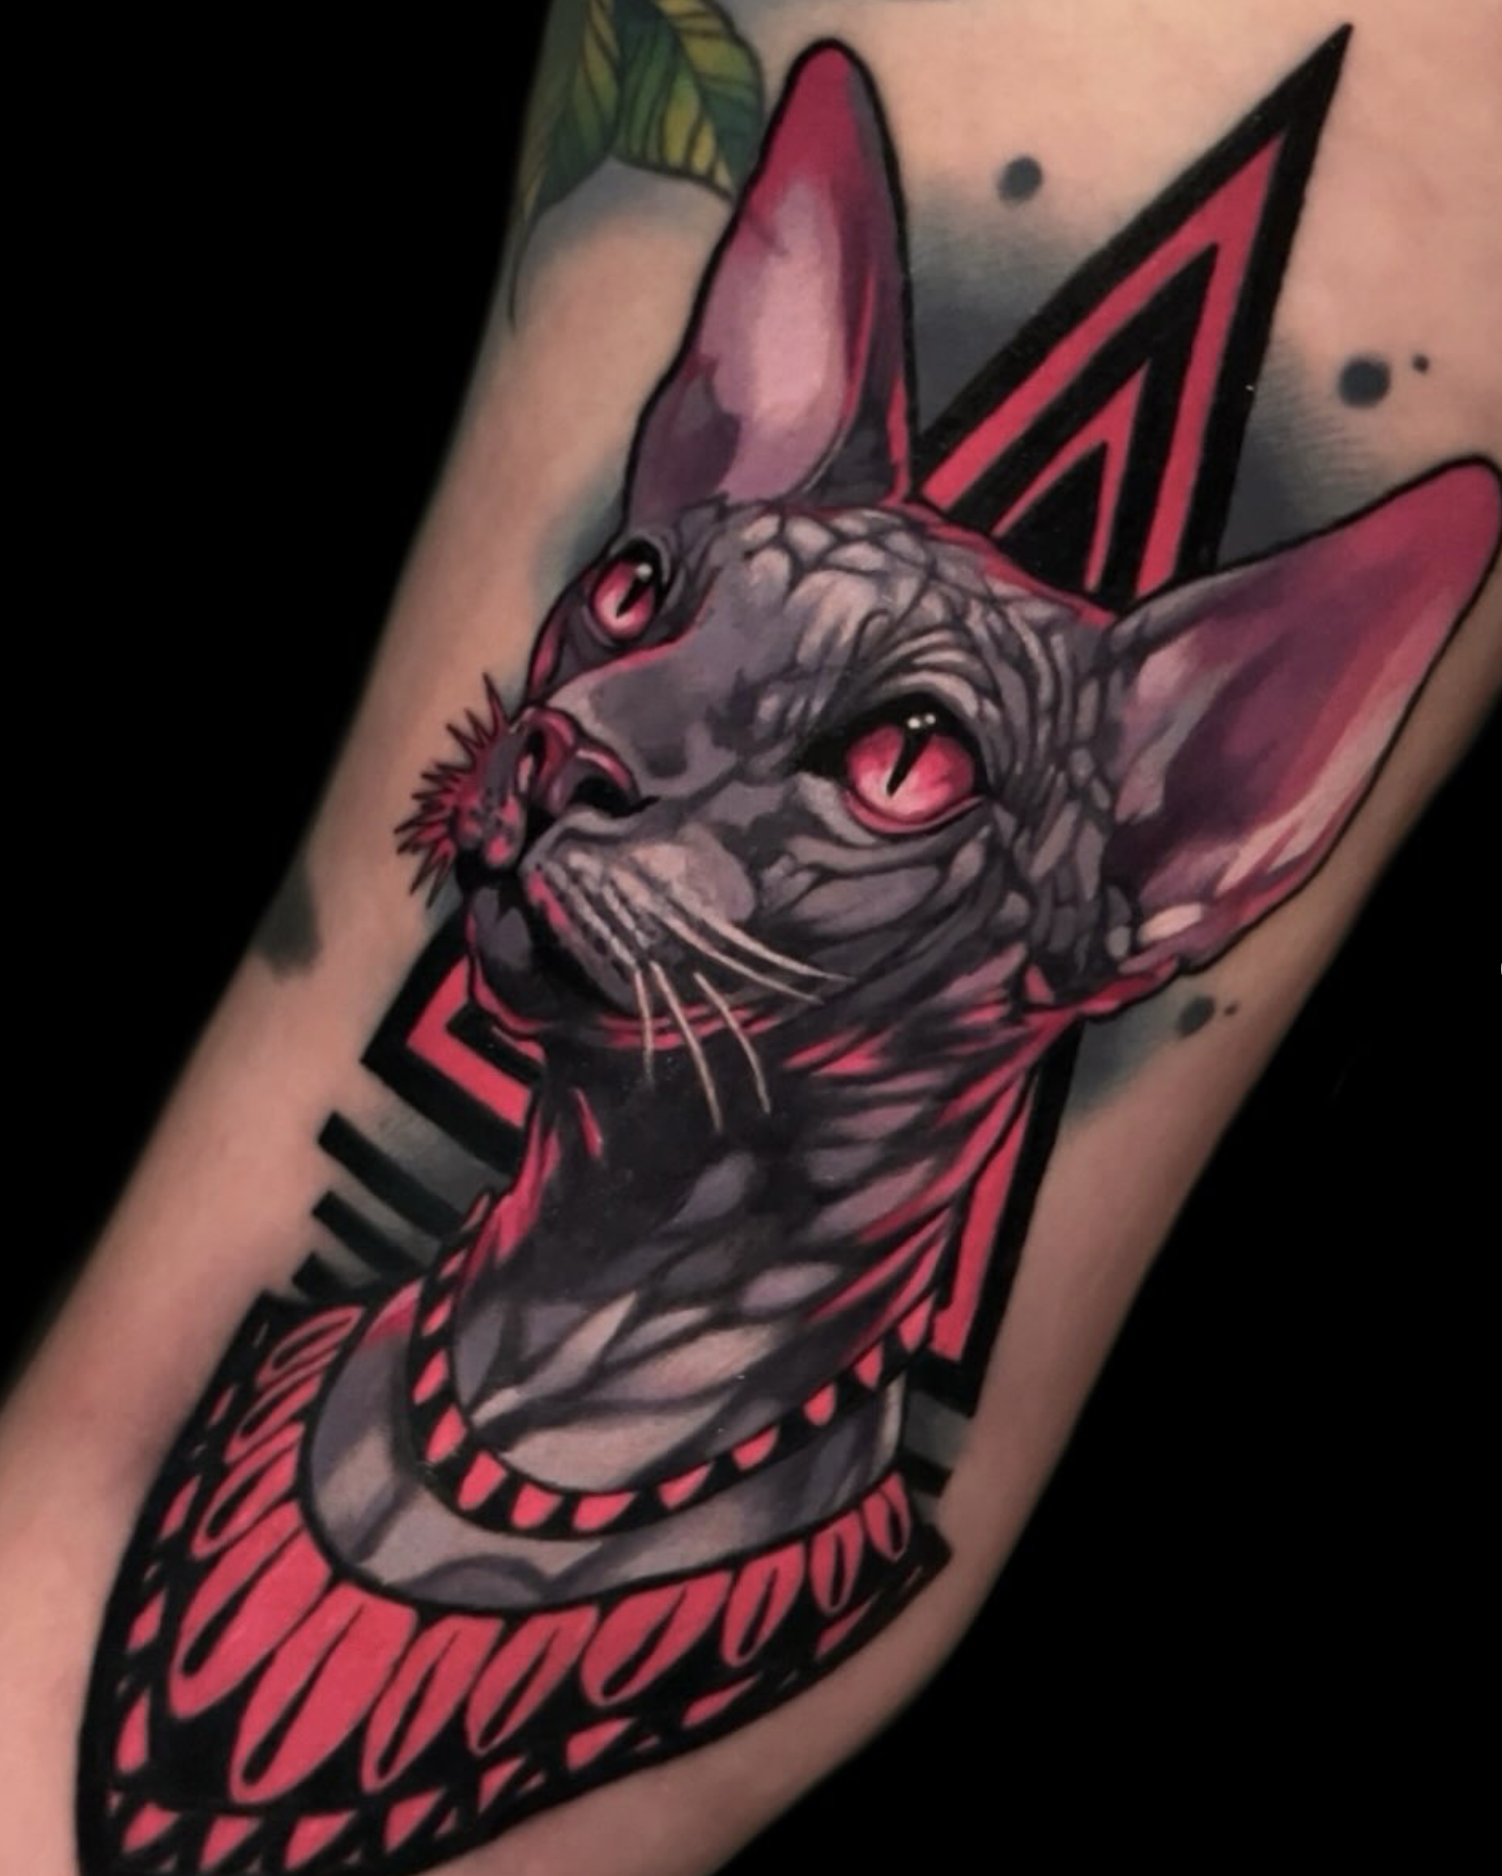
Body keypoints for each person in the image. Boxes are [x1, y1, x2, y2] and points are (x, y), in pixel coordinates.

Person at [4, 7, 1497, 1871]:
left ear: (1191, 832)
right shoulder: (290, 1410)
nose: (584, 728)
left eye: (898, 754)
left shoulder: (735, 1600)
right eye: (642, 594)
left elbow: (67, 1564)